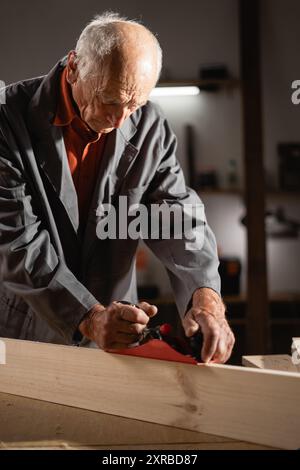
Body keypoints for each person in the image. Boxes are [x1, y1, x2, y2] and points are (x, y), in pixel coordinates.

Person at [0, 12, 234, 363]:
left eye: (134, 104)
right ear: (74, 67)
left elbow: (176, 217)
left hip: (117, 335)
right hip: (28, 333)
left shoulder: (148, 124)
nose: (120, 119)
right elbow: (16, 243)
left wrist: (206, 294)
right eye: (110, 100)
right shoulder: (8, 120)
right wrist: (88, 316)